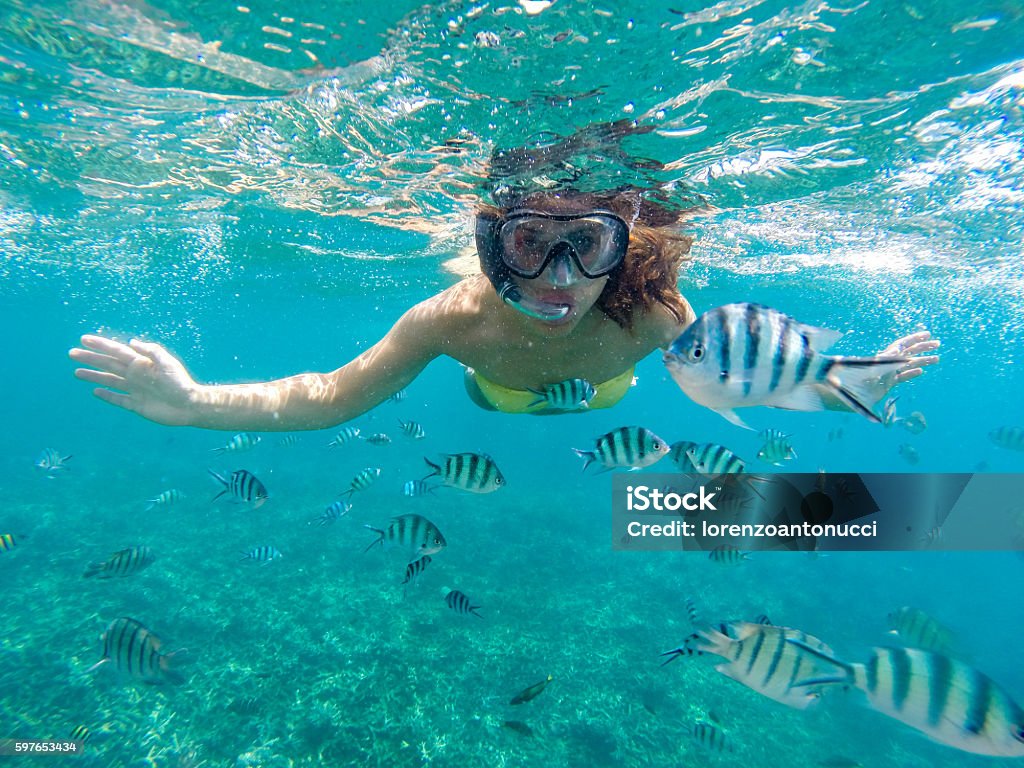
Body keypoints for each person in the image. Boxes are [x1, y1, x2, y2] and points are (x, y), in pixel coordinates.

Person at [69, 128, 939, 430]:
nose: (561, 278)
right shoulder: (446, 323)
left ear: (624, 249)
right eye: (528, 243)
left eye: (590, 245)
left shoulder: (656, 316)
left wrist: (854, 385)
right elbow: (330, 395)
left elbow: (761, 375)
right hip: (498, 385)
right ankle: (503, 397)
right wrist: (193, 402)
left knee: (605, 399)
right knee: (499, 400)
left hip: (610, 391)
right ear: (488, 247)